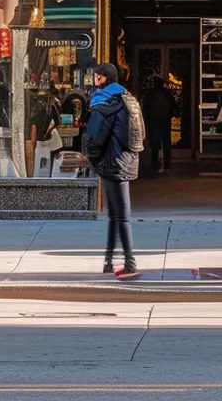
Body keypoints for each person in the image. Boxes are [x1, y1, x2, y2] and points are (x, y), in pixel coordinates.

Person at [85, 63, 141, 279]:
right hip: (128, 159)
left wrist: (92, 157)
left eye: (96, 76)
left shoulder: (103, 100)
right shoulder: (128, 98)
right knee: (116, 215)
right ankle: (108, 261)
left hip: (111, 161)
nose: (94, 80)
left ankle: (130, 263)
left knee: (120, 217)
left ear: (101, 78)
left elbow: (95, 136)